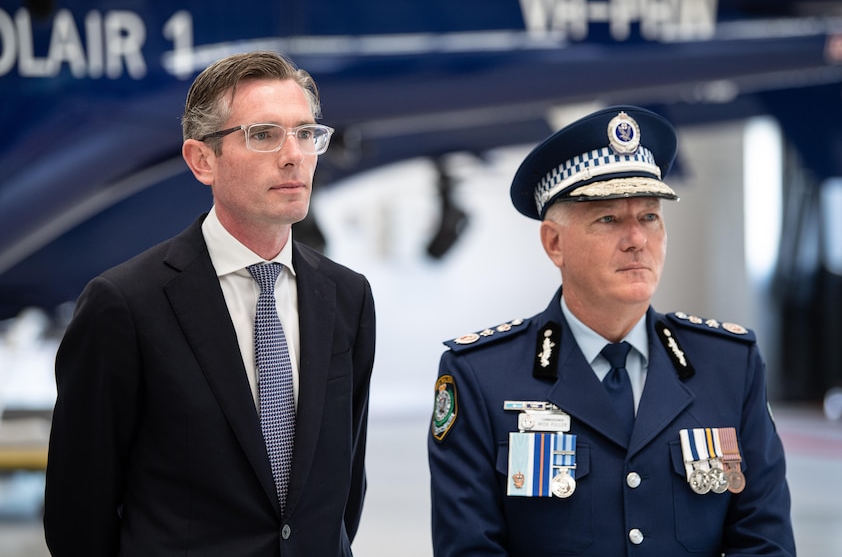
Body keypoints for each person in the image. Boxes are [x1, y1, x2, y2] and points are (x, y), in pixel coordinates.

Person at [44, 51, 376, 556]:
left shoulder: (347, 296)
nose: (294, 155)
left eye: (307, 134)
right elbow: (77, 517)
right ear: (202, 160)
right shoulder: (126, 306)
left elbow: (344, 493)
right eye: (264, 134)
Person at [428, 105, 795, 556]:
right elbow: (470, 549)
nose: (637, 239)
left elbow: (765, 541)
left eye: (649, 217)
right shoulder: (482, 377)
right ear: (554, 243)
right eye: (608, 219)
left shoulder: (728, 365)